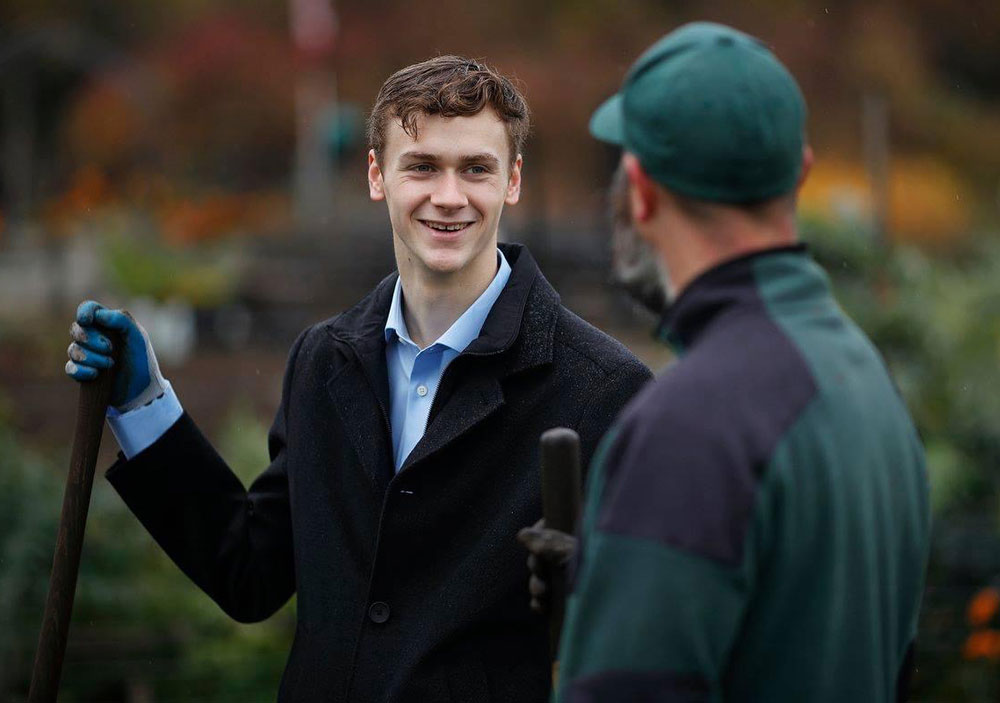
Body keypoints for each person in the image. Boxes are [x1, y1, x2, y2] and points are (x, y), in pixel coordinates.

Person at [65, 56, 651, 702]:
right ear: (378, 175)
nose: (449, 196)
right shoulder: (322, 360)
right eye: (422, 165)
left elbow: (647, 634)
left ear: (513, 180)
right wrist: (143, 405)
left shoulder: (605, 391)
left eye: (476, 169)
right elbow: (250, 573)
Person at [538, 22, 931, 701]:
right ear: (801, 172)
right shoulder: (864, 376)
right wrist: (611, 580)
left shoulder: (693, 422)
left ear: (640, 189)